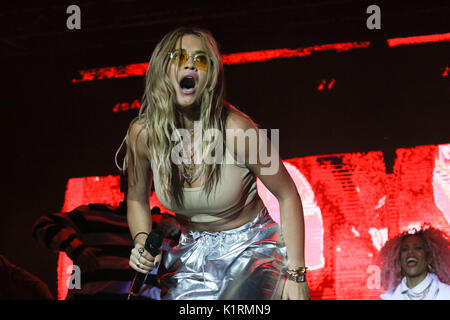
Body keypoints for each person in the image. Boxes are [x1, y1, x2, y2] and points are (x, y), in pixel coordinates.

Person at [117, 27, 310, 300]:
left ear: (211, 77)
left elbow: (287, 193)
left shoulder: (238, 130)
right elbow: (136, 199)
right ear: (163, 70)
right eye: (179, 57)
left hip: (252, 250)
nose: (190, 65)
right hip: (191, 254)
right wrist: (140, 241)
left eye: (201, 59)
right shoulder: (143, 134)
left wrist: (296, 274)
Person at [32, 174, 178, 300]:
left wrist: (178, 230)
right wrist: (75, 248)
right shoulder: (93, 215)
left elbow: (195, 253)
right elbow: (43, 225)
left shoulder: (162, 223)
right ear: (123, 183)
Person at [377, 224, 450, 300]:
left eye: (418, 248)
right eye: (405, 249)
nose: (411, 252)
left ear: (429, 257)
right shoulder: (389, 297)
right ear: (398, 260)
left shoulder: (446, 294)